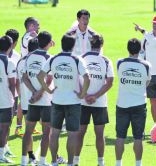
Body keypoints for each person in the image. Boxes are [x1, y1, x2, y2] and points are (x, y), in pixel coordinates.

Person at [37, 34, 90, 166]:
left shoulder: (53, 59)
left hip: (57, 100)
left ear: (61, 44)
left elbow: (40, 76)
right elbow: (87, 78)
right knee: (72, 134)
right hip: (73, 102)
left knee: (54, 132)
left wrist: (48, 90)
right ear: (73, 46)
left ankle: (54, 162)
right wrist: (82, 94)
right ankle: (70, 163)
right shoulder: (77, 60)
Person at [74, 35, 114, 166]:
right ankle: (100, 162)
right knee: (99, 134)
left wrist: (84, 94)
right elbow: (109, 82)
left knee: (80, 133)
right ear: (102, 45)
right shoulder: (106, 60)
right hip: (100, 103)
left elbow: (77, 78)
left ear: (90, 44)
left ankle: (75, 161)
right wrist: (95, 96)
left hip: (82, 102)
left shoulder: (82, 58)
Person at [115, 38, 151, 166]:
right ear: (141, 49)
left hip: (122, 104)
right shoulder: (146, 65)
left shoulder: (119, 62)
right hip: (139, 104)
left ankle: (118, 163)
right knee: (138, 137)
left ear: (127, 48)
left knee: (120, 137)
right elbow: (147, 82)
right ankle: (138, 164)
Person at [21, 31, 54, 166]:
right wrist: (40, 93)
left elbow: (25, 77)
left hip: (32, 101)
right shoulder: (49, 57)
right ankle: (42, 161)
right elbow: (50, 79)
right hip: (45, 101)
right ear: (48, 43)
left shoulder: (29, 57)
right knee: (46, 132)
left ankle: (23, 161)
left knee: (28, 132)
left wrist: (34, 92)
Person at [16, 38, 39, 163]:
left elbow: (18, 81)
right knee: (49, 130)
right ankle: (54, 157)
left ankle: (29, 157)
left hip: (25, 101)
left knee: (28, 130)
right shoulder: (36, 60)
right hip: (38, 101)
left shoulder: (20, 61)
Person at [0, 35, 16, 163]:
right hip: (5, 101)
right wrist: (15, 99)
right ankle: (1, 155)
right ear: (10, 47)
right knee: (4, 128)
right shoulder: (9, 62)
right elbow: (12, 84)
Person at [4, 29, 20, 157]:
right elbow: (13, 82)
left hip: (11, 97)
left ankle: (5, 146)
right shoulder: (8, 60)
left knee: (8, 123)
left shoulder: (17, 56)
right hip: (7, 96)